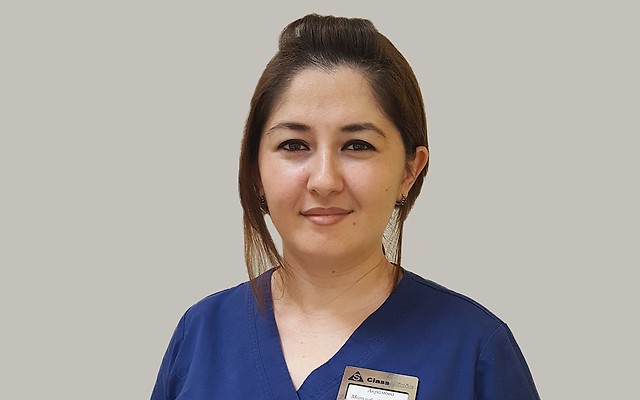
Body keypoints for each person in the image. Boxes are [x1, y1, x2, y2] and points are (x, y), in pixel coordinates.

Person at [151, 13, 540, 400]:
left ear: (410, 170)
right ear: (256, 170)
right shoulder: (199, 336)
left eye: (357, 145)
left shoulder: (474, 351)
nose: (324, 180)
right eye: (293, 145)